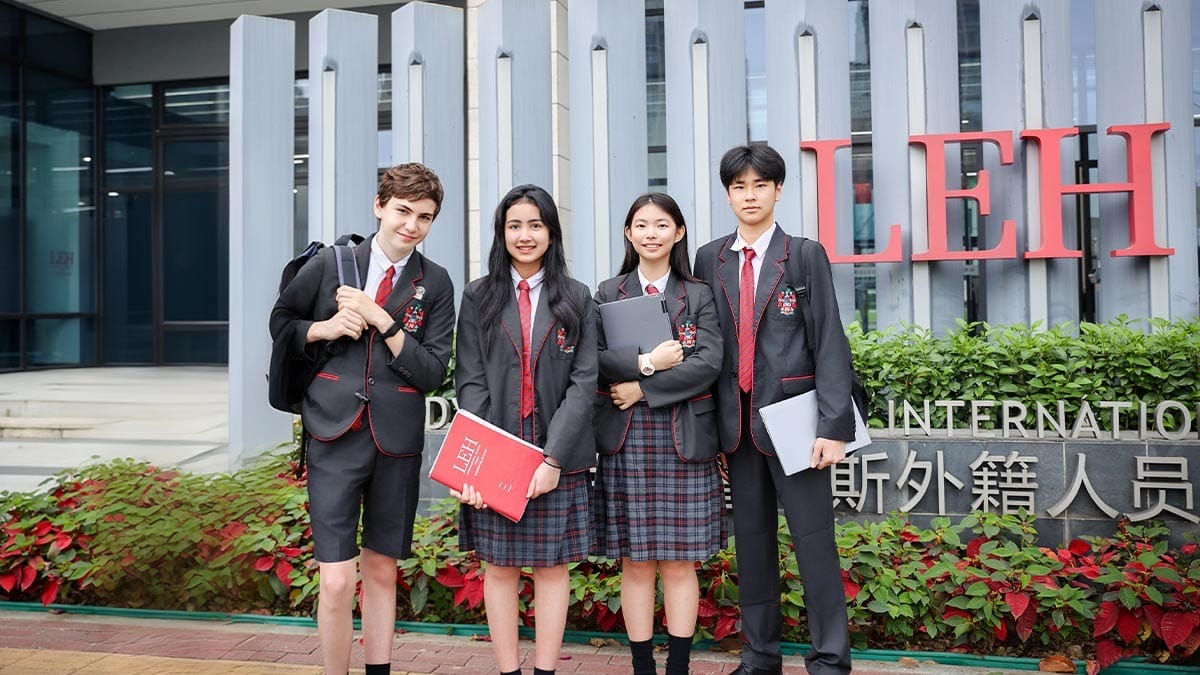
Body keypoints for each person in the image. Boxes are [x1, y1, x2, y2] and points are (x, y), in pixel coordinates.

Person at [269, 163, 456, 675]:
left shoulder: (434, 282)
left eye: (424, 216)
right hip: (331, 430)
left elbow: (432, 371)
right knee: (334, 580)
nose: (411, 225)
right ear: (379, 206)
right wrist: (322, 327)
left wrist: (385, 321)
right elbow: (280, 321)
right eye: (402, 211)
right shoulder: (333, 263)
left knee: (381, 570)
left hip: (397, 439)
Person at [692, 144, 856, 675]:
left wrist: (835, 427)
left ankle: (830, 659)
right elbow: (707, 349)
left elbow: (830, 341)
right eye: (739, 187)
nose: (750, 195)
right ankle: (760, 656)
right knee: (753, 548)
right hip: (737, 428)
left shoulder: (804, 254)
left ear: (778, 190)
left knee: (814, 545)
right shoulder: (709, 258)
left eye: (760, 185)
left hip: (797, 426)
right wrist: (712, 430)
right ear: (728, 195)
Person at [452, 184, 598, 675]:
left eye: (535, 224)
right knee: (499, 567)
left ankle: (545, 670)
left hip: (558, 456)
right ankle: (508, 670)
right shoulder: (479, 297)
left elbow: (584, 383)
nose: (525, 234)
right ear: (501, 233)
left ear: (552, 232)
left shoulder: (576, 297)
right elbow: (470, 383)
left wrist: (553, 458)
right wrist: (484, 465)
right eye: (515, 225)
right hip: (498, 456)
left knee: (553, 568)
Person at [592, 192, 725, 675]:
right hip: (625, 443)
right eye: (641, 225)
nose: (651, 233)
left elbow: (710, 363)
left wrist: (644, 389)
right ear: (628, 233)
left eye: (662, 224)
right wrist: (646, 363)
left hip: (682, 439)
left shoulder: (700, 294)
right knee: (636, 562)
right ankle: (643, 666)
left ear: (679, 233)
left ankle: (680, 667)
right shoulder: (608, 292)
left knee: (679, 563)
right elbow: (594, 360)